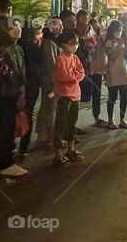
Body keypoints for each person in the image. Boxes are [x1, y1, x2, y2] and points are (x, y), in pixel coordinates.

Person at [0, 16, 28, 177]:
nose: (17, 29)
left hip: (15, 94)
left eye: (18, 26)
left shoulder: (17, 48)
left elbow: (22, 72)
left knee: (9, 128)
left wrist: (21, 92)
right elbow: (2, 76)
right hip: (1, 96)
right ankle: (5, 162)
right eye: (13, 27)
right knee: (3, 127)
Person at [50, 32, 85, 165]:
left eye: (76, 43)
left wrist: (75, 77)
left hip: (75, 94)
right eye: (72, 43)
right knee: (60, 124)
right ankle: (58, 153)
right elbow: (63, 76)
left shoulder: (75, 57)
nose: (75, 46)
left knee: (72, 123)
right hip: (64, 95)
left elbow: (81, 71)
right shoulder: (61, 59)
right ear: (64, 44)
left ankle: (71, 149)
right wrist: (75, 77)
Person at [18, 25, 44, 154]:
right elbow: (41, 60)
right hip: (31, 83)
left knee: (17, 115)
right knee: (28, 115)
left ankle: (5, 146)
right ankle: (23, 146)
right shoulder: (34, 47)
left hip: (18, 85)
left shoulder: (18, 46)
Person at [38, 17, 63, 148]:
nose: (61, 27)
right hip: (51, 81)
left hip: (49, 80)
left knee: (47, 107)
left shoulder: (51, 41)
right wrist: (58, 81)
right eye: (58, 25)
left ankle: (44, 136)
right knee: (51, 108)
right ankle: (51, 138)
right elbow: (52, 64)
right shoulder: (50, 43)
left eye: (61, 25)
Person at [102, 20, 127, 129]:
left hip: (123, 71)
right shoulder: (109, 42)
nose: (119, 32)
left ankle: (122, 120)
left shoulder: (122, 41)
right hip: (113, 72)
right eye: (117, 30)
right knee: (112, 97)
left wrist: (126, 44)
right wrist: (119, 45)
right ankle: (110, 120)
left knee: (124, 97)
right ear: (112, 30)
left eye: (120, 30)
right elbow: (112, 57)